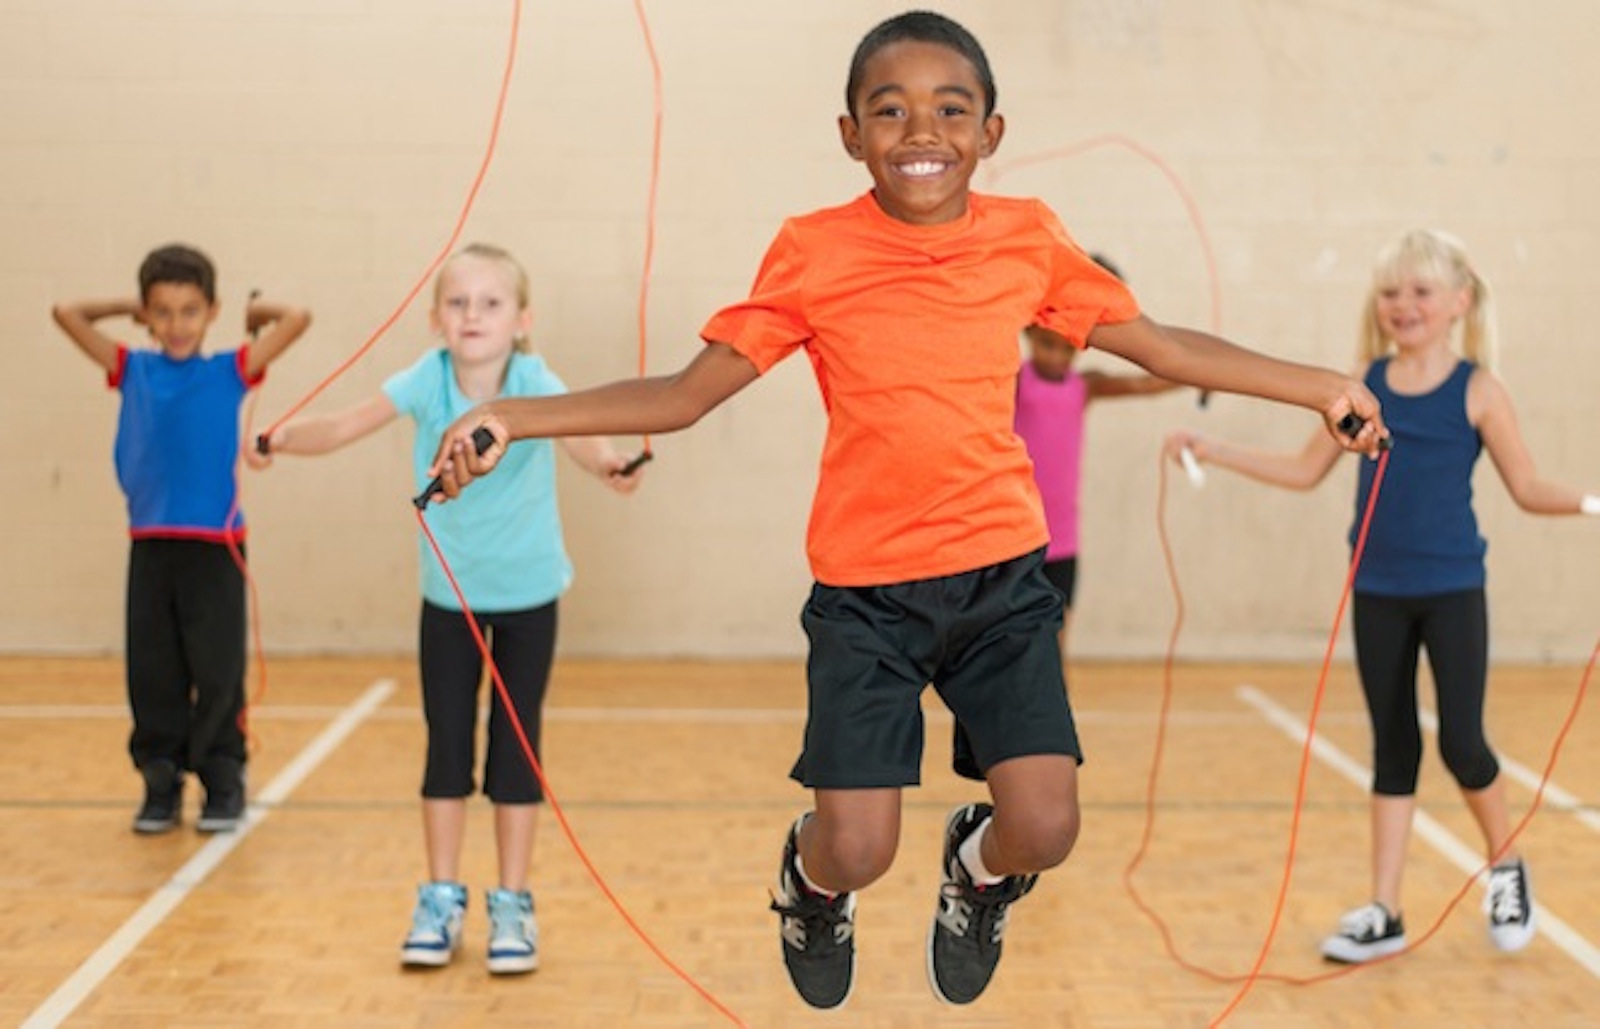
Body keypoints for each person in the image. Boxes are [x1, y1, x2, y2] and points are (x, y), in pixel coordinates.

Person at [423, 11, 1386, 1009]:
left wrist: (1317, 384)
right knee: (858, 846)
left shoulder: (1027, 238)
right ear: (849, 134)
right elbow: (684, 393)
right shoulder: (812, 252)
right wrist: (511, 416)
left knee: (1046, 826)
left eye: (949, 109)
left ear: (991, 132)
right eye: (889, 110)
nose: (921, 131)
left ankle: (976, 870)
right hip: (866, 595)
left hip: (1002, 581)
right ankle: (808, 886)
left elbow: (1161, 348)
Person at [1165, 228, 1599, 964]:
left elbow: (1526, 487)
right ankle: (1385, 909)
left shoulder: (1479, 390)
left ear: (1459, 301)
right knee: (1392, 745)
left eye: (1421, 291)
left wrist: (1593, 502)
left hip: (1454, 590)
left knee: (1463, 742)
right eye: (1391, 292)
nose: (1404, 305)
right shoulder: (1362, 385)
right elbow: (1306, 472)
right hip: (1377, 591)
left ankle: (1506, 865)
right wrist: (1218, 451)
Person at [249, 243, 643, 975]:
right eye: (458, 303)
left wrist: (613, 465)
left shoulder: (532, 380)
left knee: (516, 756)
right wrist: (279, 438)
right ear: (435, 318)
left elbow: (582, 434)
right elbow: (340, 426)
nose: (472, 315)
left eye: (490, 303)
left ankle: (513, 904)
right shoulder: (425, 382)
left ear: (521, 319)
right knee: (447, 749)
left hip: (528, 598)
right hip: (449, 602)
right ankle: (439, 897)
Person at [52, 244, 311, 835]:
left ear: (211, 311)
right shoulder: (132, 368)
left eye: (189, 311)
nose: (175, 325)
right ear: (148, 314)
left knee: (217, 668)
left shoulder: (229, 370)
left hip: (214, 548)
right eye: (162, 312)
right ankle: (161, 779)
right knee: (154, 671)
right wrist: (129, 306)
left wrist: (258, 313)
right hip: (150, 544)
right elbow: (65, 312)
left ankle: (222, 777)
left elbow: (298, 319)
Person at [952, 254, 1183, 779]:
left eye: (1067, 347)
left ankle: (1049, 743)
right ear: (1033, 336)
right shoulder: (1014, 381)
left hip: (1064, 544)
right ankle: (992, 736)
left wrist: (1200, 380)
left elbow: (1149, 380)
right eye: (1049, 344)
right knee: (999, 645)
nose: (1058, 356)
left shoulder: (1087, 387)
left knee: (1054, 649)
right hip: (1011, 542)